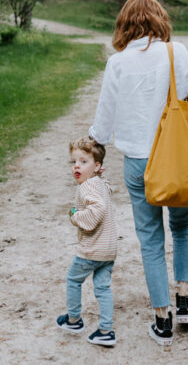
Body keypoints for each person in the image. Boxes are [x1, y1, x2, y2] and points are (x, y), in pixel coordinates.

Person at [89, 0, 188, 346]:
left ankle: (162, 320)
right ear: (159, 20)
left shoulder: (118, 63)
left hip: (138, 163)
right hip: (177, 159)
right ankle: (185, 300)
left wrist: (94, 158)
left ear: (125, 24)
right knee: (183, 227)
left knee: (151, 240)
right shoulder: (176, 53)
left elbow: (102, 125)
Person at [56, 137, 118, 347]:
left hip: (91, 250)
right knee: (102, 288)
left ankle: (74, 320)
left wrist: (75, 216)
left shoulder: (87, 187)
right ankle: (106, 331)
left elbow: (96, 212)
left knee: (73, 279)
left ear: (97, 166)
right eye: (74, 162)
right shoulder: (99, 183)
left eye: (84, 162)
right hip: (108, 250)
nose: (76, 166)